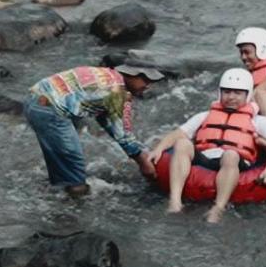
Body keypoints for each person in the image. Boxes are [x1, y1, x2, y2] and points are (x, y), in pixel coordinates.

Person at [146, 68, 266, 224]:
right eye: (227, 92)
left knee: (230, 155)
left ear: (247, 95)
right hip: (206, 157)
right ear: (220, 93)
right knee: (182, 143)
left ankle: (218, 208)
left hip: (235, 161)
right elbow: (178, 133)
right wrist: (158, 149)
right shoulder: (205, 115)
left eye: (237, 93)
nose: (231, 97)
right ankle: (175, 201)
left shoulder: (259, 121)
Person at [24, 63, 163, 199]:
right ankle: (74, 204)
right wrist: (142, 161)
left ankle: (57, 193)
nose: (147, 86)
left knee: (60, 159)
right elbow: (123, 134)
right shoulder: (118, 93)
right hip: (51, 110)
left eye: (151, 81)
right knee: (73, 163)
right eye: (145, 80)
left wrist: (138, 152)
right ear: (130, 75)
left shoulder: (105, 74)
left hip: (34, 99)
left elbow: (105, 119)